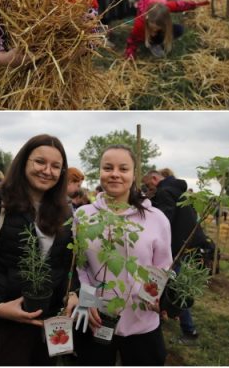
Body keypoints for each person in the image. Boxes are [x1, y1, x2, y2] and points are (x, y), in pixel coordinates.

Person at [0, 134, 75, 365]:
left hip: (48, 325)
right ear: (23, 163)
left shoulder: (65, 214)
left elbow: (67, 264)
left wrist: (73, 292)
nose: (47, 171)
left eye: (56, 166)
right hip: (5, 327)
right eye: (40, 162)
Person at [70, 145, 172, 364]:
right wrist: (87, 302)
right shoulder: (83, 215)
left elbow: (163, 267)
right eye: (108, 168)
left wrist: (157, 297)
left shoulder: (156, 218)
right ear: (100, 172)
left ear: (134, 174)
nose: (115, 173)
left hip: (142, 321)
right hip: (96, 320)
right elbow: (81, 266)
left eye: (123, 168)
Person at [145, 168, 206, 345]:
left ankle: (189, 331)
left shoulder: (164, 192)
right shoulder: (181, 192)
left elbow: (163, 221)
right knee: (175, 285)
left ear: (155, 179)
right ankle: (163, 316)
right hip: (188, 244)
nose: (150, 188)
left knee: (174, 288)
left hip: (176, 248)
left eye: (150, 185)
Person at [124, 0, 209, 59]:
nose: (154, 32)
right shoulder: (140, 23)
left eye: (157, 29)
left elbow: (181, 5)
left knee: (179, 29)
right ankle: (152, 43)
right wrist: (130, 55)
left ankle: (159, 39)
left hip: (156, 0)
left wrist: (197, 4)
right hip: (146, 5)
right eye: (152, 29)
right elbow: (132, 40)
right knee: (143, 35)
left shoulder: (165, 7)